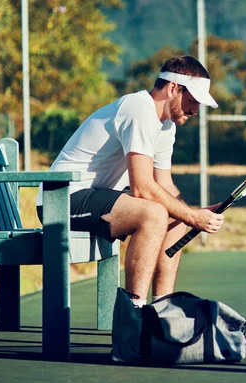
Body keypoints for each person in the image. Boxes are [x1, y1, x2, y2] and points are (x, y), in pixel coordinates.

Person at [36, 55, 224, 307]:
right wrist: (193, 217)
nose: (194, 110)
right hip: (59, 200)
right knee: (154, 213)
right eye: (192, 101)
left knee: (176, 218)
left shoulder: (167, 126)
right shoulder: (138, 109)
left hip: (94, 197)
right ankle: (134, 314)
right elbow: (142, 187)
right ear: (173, 89)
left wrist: (190, 214)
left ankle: (162, 310)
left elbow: (164, 185)